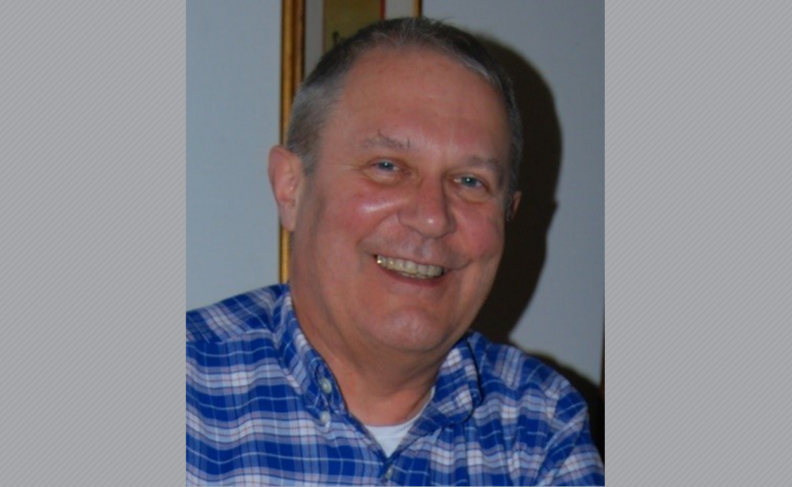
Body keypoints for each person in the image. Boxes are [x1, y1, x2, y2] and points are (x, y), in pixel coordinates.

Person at [187, 17, 604, 486]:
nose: (432, 217)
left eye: (470, 182)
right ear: (291, 189)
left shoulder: (540, 427)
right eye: (387, 166)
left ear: (508, 213)